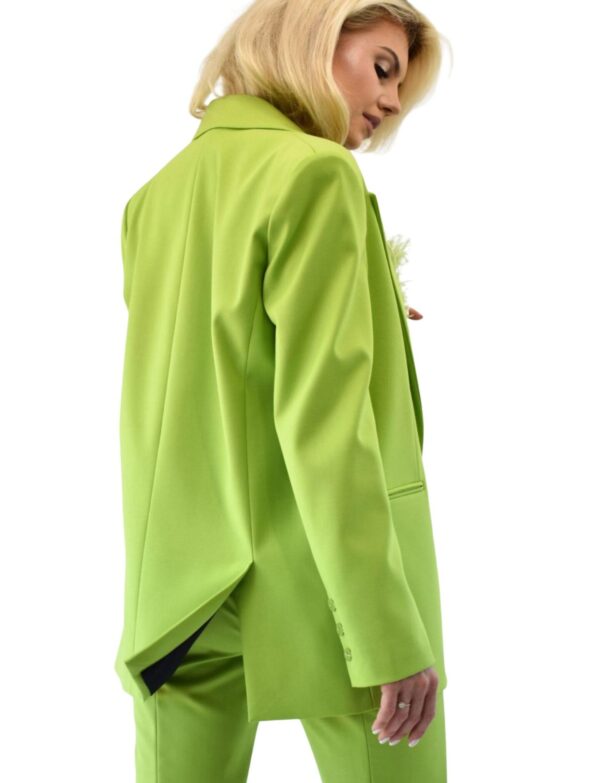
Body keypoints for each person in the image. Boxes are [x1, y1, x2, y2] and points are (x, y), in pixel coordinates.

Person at [114, 1, 451, 780]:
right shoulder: (316, 172)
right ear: (312, 36)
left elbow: (204, 364)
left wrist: (368, 302)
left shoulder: (154, 198)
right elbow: (324, 423)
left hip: (176, 601)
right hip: (326, 581)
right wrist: (385, 631)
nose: (392, 101)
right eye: (383, 68)